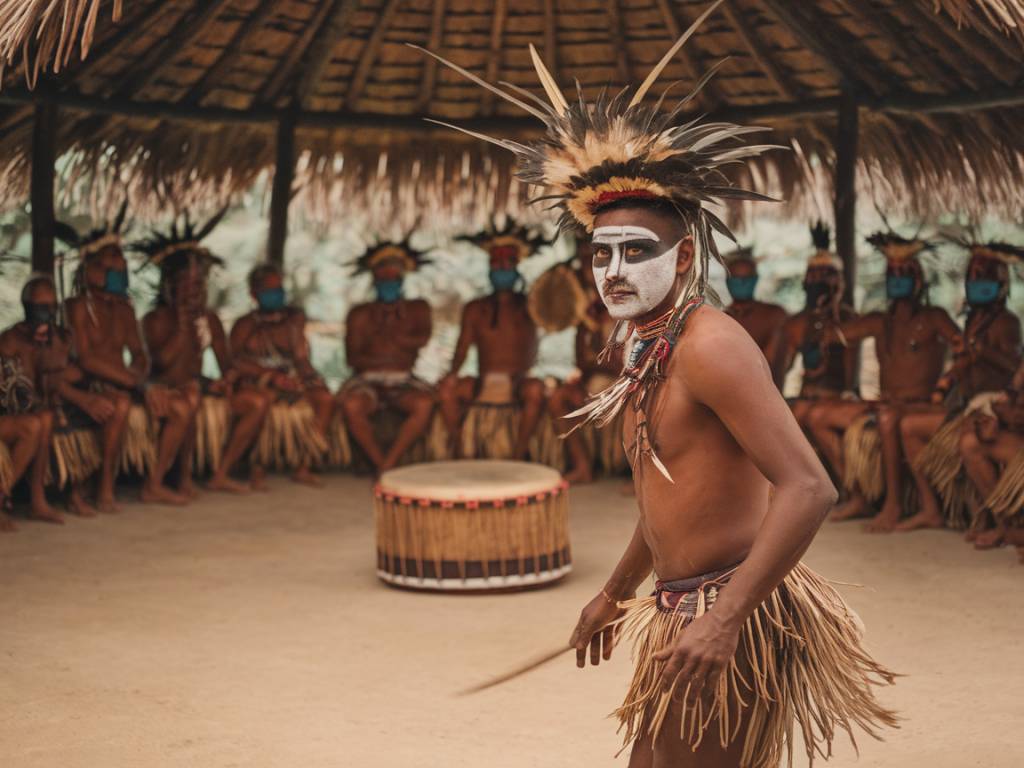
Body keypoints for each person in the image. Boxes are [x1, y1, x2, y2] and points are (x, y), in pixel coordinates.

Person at [418, 10, 897, 766]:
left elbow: (809, 487)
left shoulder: (713, 347)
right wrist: (613, 593)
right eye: (600, 254)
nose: (612, 272)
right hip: (683, 607)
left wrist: (728, 618)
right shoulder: (643, 345)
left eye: (636, 251)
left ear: (681, 261)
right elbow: (663, 492)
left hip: (724, 610)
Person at [811, 232, 961, 531]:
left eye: (904, 273)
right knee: (818, 416)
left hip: (923, 407)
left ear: (918, 279)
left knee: (890, 418)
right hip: (886, 404)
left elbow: (964, 352)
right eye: (892, 273)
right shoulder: (881, 321)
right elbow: (833, 335)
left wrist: (943, 387)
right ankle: (858, 495)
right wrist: (830, 301)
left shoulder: (934, 317)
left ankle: (896, 505)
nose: (897, 279)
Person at [59, 211, 193, 509]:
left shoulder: (125, 310)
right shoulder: (77, 306)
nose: (121, 267)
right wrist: (140, 384)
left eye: (122, 262)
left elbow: (140, 354)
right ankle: (104, 487)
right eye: (113, 262)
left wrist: (139, 376)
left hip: (127, 381)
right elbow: (86, 359)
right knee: (117, 405)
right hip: (92, 384)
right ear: (91, 271)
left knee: (181, 408)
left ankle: (154, 484)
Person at [135, 215, 272, 494]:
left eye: (200, 284)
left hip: (196, 384)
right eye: (187, 284)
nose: (195, 291)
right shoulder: (155, 319)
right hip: (162, 388)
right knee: (190, 396)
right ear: (170, 286)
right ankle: (162, 481)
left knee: (257, 402)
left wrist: (229, 379)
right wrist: (183, 326)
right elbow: (159, 364)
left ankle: (220, 473)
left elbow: (227, 364)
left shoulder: (209, 320)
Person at [899, 242, 1022, 532]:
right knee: (909, 426)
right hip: (966, 405)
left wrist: (984, 352)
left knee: (971, 440)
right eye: (974, 277)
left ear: (1001, 283)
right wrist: (943, 387)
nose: (977, 283)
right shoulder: (973, 321)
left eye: (985, 278)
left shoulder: (1007, 322)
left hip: (993, 405)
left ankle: (1001, 522)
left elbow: (1016, 367)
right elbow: (964, 362)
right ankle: (931, 509)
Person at [0, 275, 116, 526]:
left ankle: (52, 498)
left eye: (51, 307)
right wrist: (36, 352)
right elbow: (18, 387)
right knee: (40, 419)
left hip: (49, 407)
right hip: (18, 411)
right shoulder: (11, 339)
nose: (46, 314)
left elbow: (74, 371)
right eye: (39, 307)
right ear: (27, 307)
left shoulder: (62, 337)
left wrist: (53, 358)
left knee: (73, 414)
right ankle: (11, 498)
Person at [438, 220, 550, 460]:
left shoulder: (532, 306)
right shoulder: (475, 308)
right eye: (495, 262)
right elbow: (462, 349)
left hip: (518, 380)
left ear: (517, 266)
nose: (500, 268)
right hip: (483, 380)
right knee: (447, 390)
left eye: (507, 262)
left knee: (535, 389)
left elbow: (559, 315)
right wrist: (452, 374)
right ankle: (459, 448)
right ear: (488, 267)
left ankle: (519, 454)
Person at [229, 263, 332, 485]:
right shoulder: (244, 325)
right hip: (259, 381)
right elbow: (234, 361)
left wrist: (309, 378)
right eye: (269, 290)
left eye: (279, 289)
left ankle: (304, 464)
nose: (276, 295)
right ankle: (257, 464)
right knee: (264, 401)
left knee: (324, 398)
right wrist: (269, 376)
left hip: (291, 379)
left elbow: (301, 358)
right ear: (254, 294)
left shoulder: (293, 321)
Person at [339, 239, 434, 474]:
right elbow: (353, 359)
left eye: (394, 277)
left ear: (402, 278)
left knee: (424, 404)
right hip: (367, 381)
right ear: (374, 279)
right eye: (383, 277)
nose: (388, 282)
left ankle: (388, 464)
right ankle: (382, 465)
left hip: (404, 379)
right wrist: (389, 348)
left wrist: (391, 338)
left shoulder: (418, 308)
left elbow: (421, 339)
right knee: (351, 405)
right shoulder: (359, 314)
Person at [548, 236, 626, 483]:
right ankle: (583, 467)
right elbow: (582, 362)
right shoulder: (587, 314)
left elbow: (627, 364)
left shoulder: (627, 304)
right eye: (582, 261)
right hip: (598, 386)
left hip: (627, 385)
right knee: (558, 398)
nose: (585, 267)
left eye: (591, 259)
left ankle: (640, 474)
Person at [778, 223, 859, 431]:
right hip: (805, 398)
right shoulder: (796, 323)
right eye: (813, 275)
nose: (818, 281)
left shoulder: (848, 319)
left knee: (811, 416)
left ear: (837, 281)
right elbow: (781, 369)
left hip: (835, 402)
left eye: (825, 275)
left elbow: (852, 376)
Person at [722, 247, 787, 386]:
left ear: (755, 280)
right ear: (727, 281)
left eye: (746, 279)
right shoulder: (720, 320)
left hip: (769, 392)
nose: (741, 283)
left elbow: (770, 364)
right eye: (736, 279)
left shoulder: (774, 315)